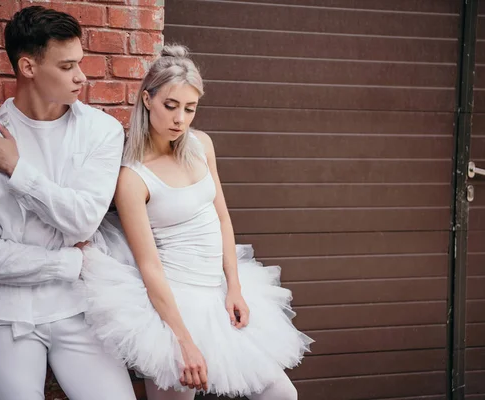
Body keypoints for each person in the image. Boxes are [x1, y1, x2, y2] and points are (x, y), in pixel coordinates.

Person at [77, 44, 313, 400]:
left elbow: (221, 217)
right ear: (147, 99)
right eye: (171, 106)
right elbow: (149, 265)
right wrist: (182, 340)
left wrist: (234, 286)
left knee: (282, 395)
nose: (180, 120)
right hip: (172, 305)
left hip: (218, 292)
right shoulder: (133, 177)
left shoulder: (201, 145)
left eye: (190, 109)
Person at [0, 6, 136, 399]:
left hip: (81, 306)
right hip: (8, 312)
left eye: (80, 63)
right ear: (28, 67)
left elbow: (84, 221)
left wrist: (17, 169)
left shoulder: (101, 132)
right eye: (67, 66)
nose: (81, 76)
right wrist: (68, 261)